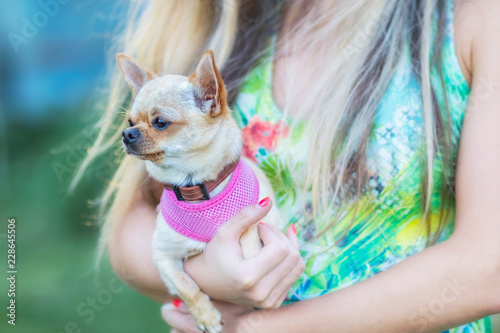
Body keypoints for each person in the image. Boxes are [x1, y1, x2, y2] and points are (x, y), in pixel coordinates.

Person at [76, 0, 500, 331]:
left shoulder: (473, 19)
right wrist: (206, 276)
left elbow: (487, 266)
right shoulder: (222, 19)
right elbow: (131, 228)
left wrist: (264, 328)